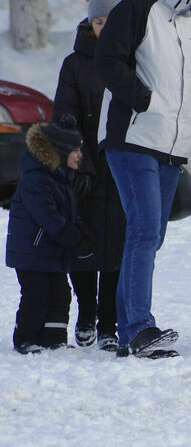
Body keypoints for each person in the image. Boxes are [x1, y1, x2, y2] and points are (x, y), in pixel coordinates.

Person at [94, 0, 191, 359]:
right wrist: (143, 100)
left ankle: (129, 331)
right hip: (132, 138)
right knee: (145, 231)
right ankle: (138, 327)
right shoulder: (139, 7)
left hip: (170, 146)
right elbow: (106, 59)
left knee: (152, 235)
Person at [53, 0, 126, 352]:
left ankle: (110, 321)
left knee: (116, 247)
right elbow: (64, 113)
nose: (105, 27)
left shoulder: (135, 56)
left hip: (123, 167)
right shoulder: (74, 63)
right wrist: (77, 158)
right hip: (85, 167)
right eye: (100, 21)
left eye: (113, 20)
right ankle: (86, 313)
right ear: (90, 22)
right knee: (85, 244)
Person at [6, 115, 94, 354]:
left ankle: (54, 337)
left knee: (61, 294)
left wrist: (84, 235)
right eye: (75, 150)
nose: (80, 155)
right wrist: (74, 239)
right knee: (37, 295)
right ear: (59, 151)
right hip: (32, 252)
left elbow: (71, 214)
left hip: (51, 251)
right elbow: (49, 217)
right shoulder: (36, 180)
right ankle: (26, 338)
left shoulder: (63, 179)